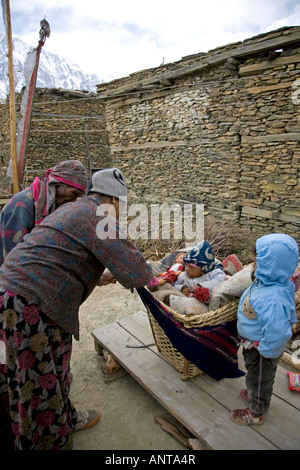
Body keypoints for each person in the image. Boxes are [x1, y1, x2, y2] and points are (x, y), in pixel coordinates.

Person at [0, 167, 153, 450]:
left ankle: (65, 420)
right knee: (38, 380)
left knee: (53, 366)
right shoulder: (98, 215)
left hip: (21, 297)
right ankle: (47, 442)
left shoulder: (75, 210)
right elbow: (136, 271)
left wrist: (104, 276)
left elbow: (65, 255)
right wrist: (155, 274)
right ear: (115, 200)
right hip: (29, 305)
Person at [231, 233, 299, 426]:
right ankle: (254, 391)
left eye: (256, 262)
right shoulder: (274, 281)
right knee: (255, 375)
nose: (252, 265)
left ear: (270, 267)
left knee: (261, 379)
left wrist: (267, 352)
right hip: (256, 342)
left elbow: (278, 331)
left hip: (263, 349)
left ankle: (256, 411)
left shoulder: (272, 298)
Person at [0, 160, 88, 266]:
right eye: (74, 194)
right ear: (58, 186)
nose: (74, 200)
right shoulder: (23, 205)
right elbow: (12, 257)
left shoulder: (50, 208)